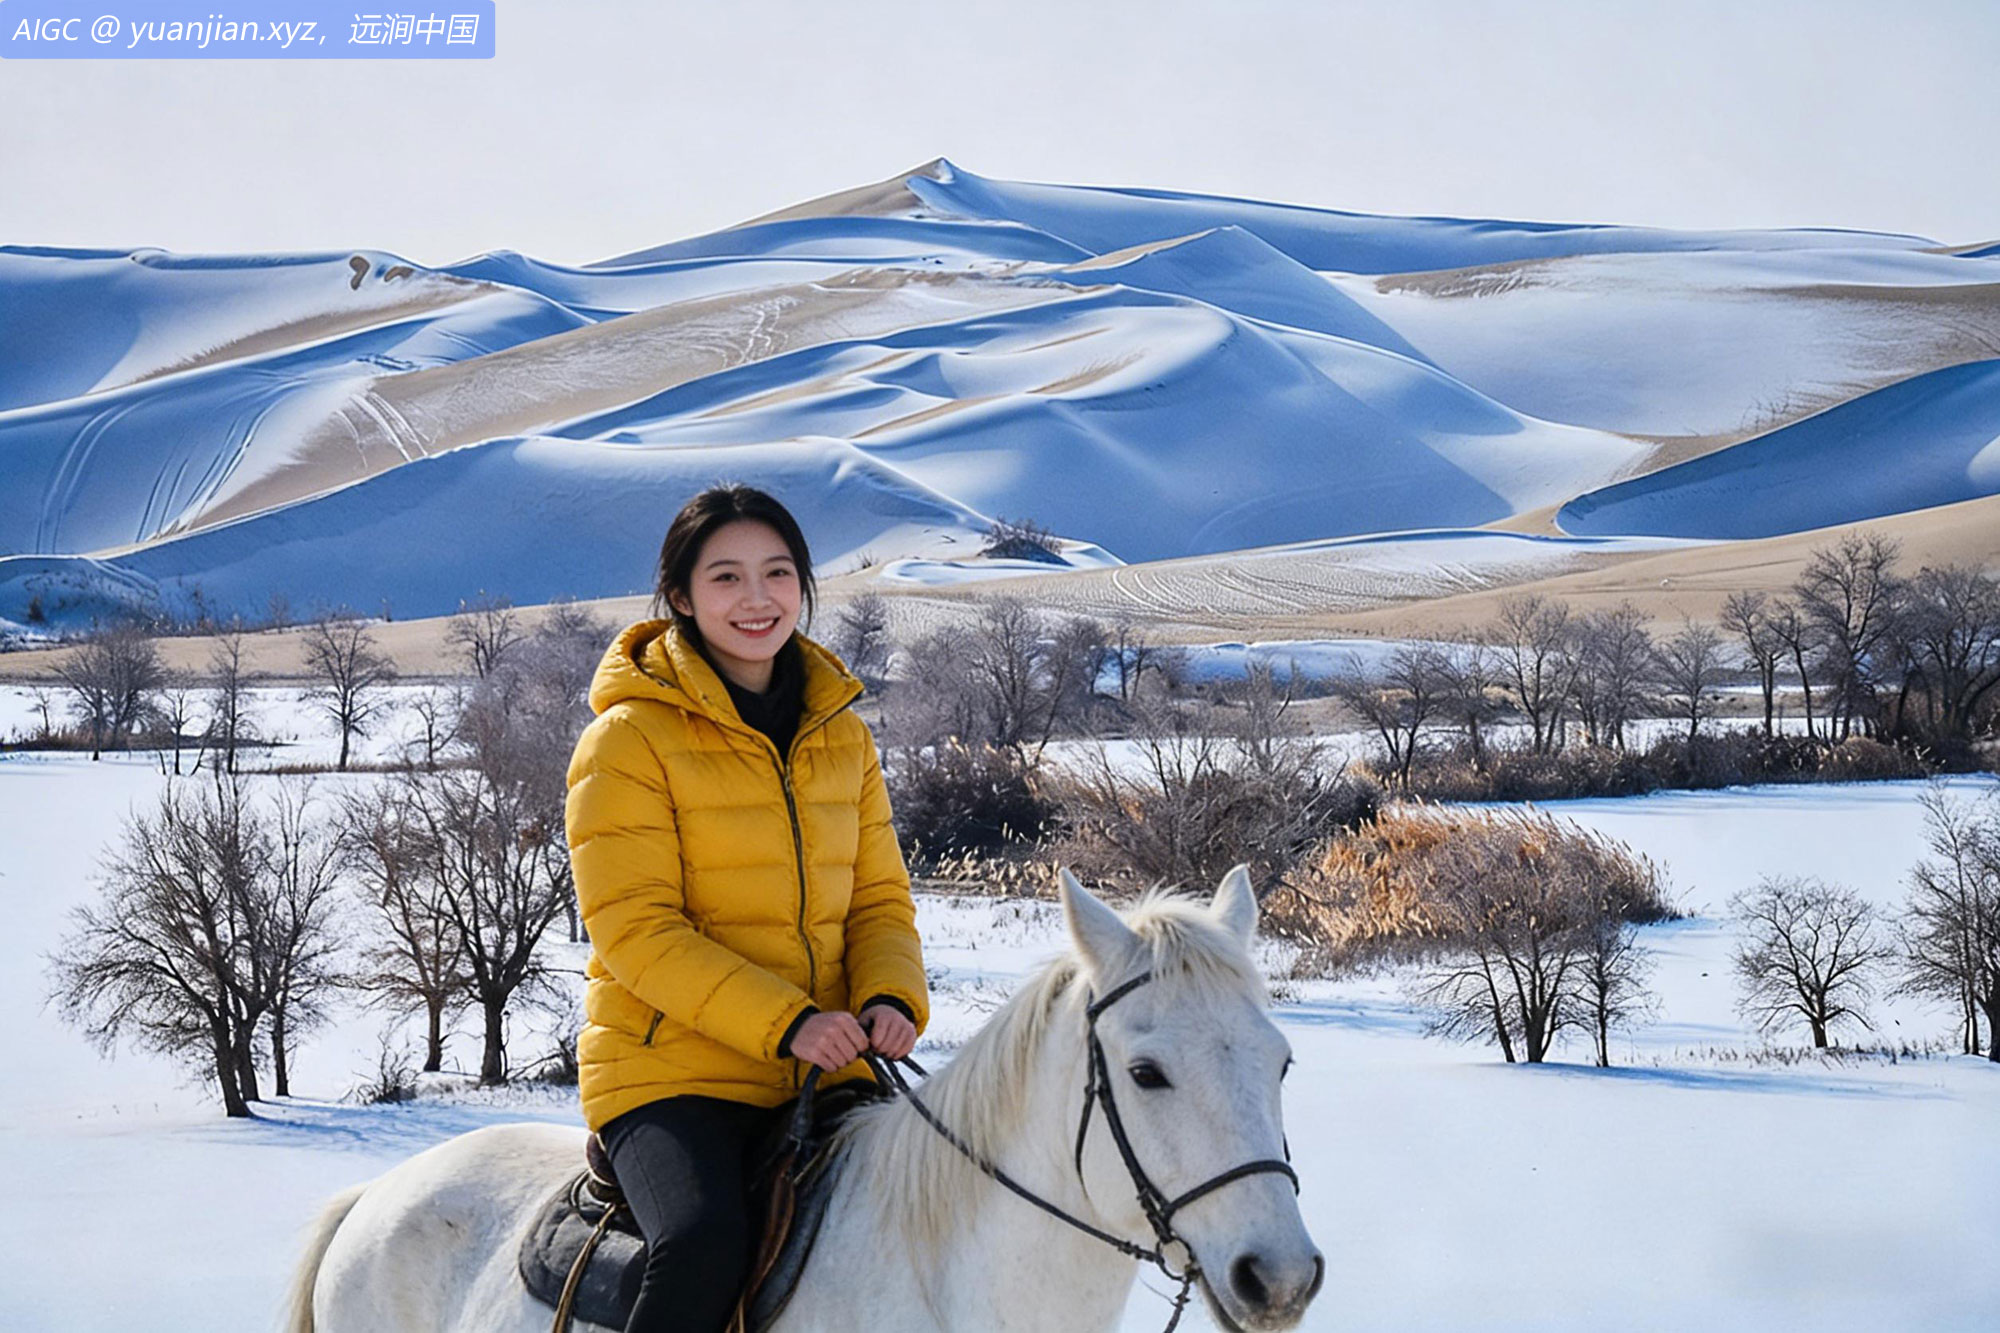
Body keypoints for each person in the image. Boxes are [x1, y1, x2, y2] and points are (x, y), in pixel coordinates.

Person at [563, 483, 929, 1333]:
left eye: (777, 572)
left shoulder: (843, 733)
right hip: (670, 1073)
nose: (757, 598)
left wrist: (886, 999)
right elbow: (636, 932)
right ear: (682, 598)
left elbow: (877, 898)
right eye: (725, 577)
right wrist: (789, 1021)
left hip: (824, 1067)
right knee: (702, 1241)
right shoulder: (628, 739)